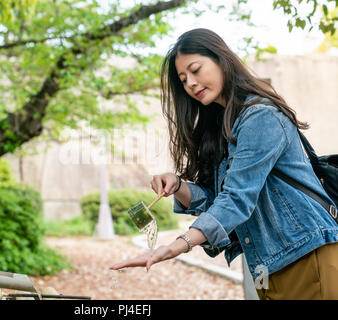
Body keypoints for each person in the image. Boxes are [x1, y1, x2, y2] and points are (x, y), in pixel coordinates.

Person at [109, 28, 338, 300]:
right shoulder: (221, 127)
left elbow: (237, 199)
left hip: (307, 254)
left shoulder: (259, 117)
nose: (190, 83)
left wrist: (176, 246)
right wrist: (179, 185)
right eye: (183, 79)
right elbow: (219, 201)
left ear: (221, 59)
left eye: (195, 70)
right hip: (271, 265)